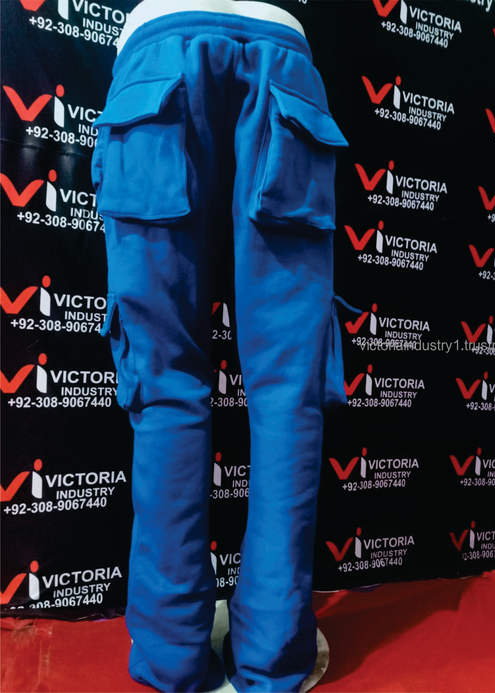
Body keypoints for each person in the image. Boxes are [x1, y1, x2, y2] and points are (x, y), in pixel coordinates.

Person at [93, 0, 349, 689]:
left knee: (165, 387)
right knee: (287, 395)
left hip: (156, 56)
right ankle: (273, 654)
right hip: (281, 58)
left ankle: (171, 656)